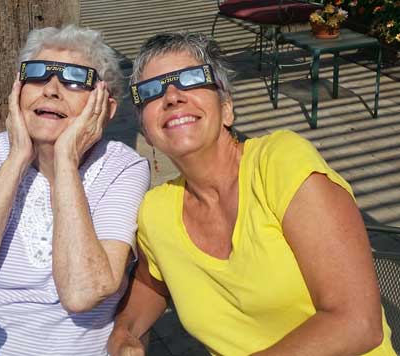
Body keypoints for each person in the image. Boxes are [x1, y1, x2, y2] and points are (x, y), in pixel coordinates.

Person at [107, 32, 395, 356]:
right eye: (151, 91)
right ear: (147, 130)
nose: (172, 96)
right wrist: (124, 332)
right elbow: (150, 283)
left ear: (227, 107)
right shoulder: (156, 212)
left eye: (191, 79)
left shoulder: (279, 163)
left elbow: (358, 323)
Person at [0, 24, 150, 356]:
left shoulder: (122, 167)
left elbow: (82, 292)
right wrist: (17, 159)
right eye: (37, 75)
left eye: (75, 79)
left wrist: (65, 160)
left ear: (105, 107)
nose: (51, 89)